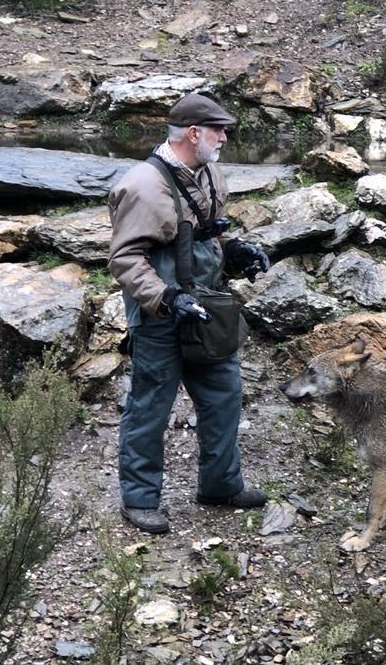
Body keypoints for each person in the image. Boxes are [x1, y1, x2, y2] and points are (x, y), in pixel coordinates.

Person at [107, 93, 272, 534]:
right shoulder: (142, 186)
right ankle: (140, 499)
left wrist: (235, 252)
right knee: (150, 406)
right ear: (194, 133)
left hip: (208, 309)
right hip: (160, 316)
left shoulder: (211, 172)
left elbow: (206, 235)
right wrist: (166, 297)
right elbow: (125, 260)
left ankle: (221, 485)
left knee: (224, 397)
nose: (224, 137)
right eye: (218, 130)